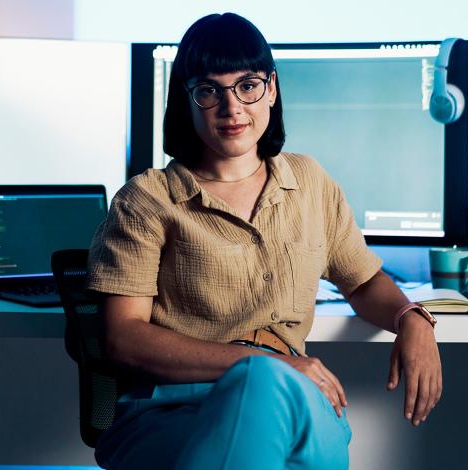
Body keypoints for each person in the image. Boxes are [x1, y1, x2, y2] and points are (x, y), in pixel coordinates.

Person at [86, 12, 442, 470]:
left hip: (299, 405)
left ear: (271, 88)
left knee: (267, 395)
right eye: (210, 90)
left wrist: (413, 320)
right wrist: (264, 364)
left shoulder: (310, 182)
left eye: (248, 85)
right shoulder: (147, 200)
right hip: (172, 409)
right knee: (259, 388)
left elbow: (363, 281)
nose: (232, 108)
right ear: (187, 99)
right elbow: (123, 338)